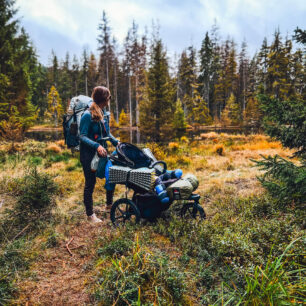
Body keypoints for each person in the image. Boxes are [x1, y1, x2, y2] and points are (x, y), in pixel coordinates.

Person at [79, 86, 119, 223]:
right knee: (90, 183)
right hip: (88, 155)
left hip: (102, 153)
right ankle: (90, 215)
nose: (109, 100)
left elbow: (106, 133)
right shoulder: (87, 115)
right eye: (108, 97)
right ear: (104, 99)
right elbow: (82, 136)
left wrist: (116, 143)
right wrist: (96, 146)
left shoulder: (103, 113)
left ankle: (109, 205)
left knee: (110, 175)